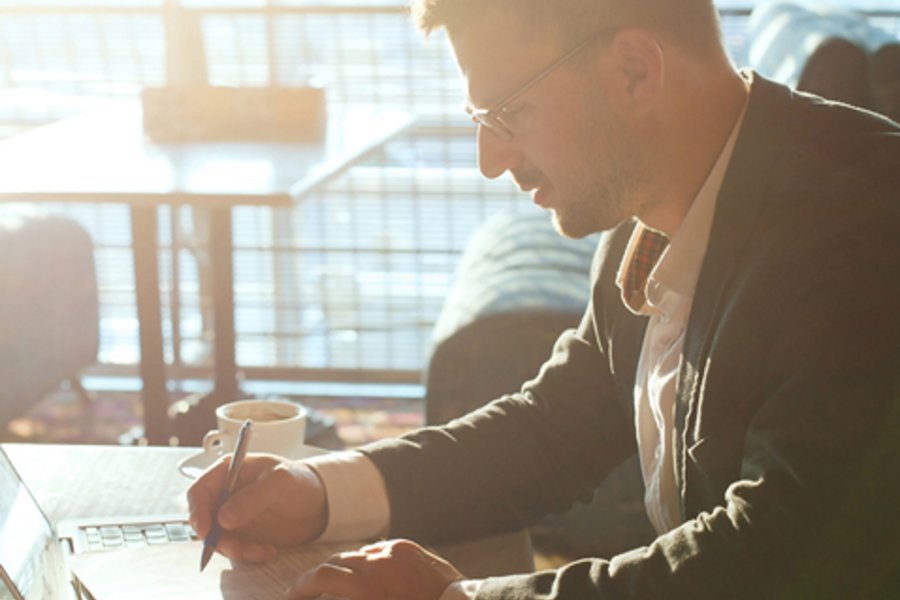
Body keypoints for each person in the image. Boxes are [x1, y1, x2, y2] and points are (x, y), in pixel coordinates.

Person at [188, 0, 900, 598]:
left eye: (509, 112)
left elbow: (786, 559)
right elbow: (555, 429)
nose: (489, 158)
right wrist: (319, 493)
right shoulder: (649, 221)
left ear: (633, 70)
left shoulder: (867, 227)